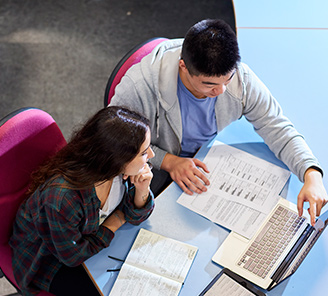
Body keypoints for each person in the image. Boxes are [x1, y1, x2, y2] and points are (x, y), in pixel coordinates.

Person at [109, 18, 327, 225]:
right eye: (209, 84)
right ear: (183, 67)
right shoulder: (139, 86)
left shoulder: (239, 79)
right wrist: (169, 162)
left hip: (203, 161)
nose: (222, 91)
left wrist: (311, 173)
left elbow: (277, 127)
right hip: (153, 164)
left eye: (227, 79)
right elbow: (115, 142)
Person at [9, 106, 155, 296]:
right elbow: (71, 256)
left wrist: (142, 190)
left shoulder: (117, 172)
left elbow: (136, 214)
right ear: (116, 158)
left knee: (135, 287)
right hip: (47, 260)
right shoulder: (62, 199)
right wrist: (116, 220)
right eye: (142, 152)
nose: (150, 155)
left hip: (88, 239)